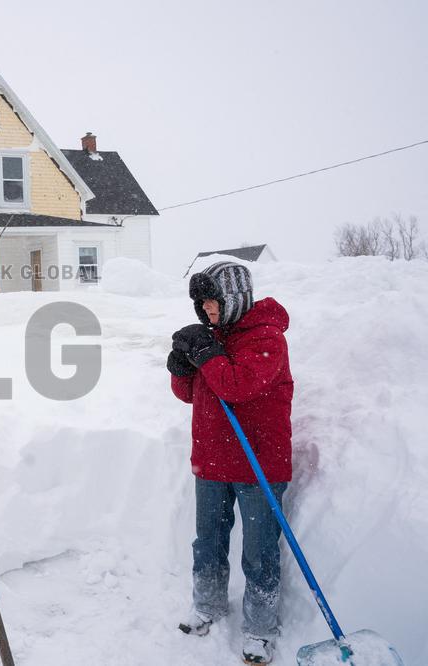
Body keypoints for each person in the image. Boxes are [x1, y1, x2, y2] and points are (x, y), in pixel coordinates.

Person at [167, 261, 294, 665]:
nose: (206, 308)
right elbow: (192, 393)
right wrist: (181, 368)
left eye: (212, 299)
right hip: (211, 460)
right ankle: (207, 605)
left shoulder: (266, 337)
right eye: (202, 302)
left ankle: (259, 629)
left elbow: (236, 386)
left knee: (259, 552)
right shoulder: (214, 338)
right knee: (207, 542)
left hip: (258, 464)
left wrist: (208, 355)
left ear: (234, 298)